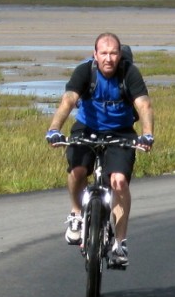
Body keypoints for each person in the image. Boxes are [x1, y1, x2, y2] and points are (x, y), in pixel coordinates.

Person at [46, 32, 154, 268]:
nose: (109, 58)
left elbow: (143, 104)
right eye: (103, 53)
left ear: (119, 55)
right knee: (77, 171)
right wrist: (54, 128)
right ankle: (76, 215)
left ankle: (120, 243)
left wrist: (147, 134)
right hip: (86, 128)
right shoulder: (85, 71)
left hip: (121, 131)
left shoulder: (129, 73)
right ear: (95, 55)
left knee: (118, 182)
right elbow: (68, 100)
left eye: (113, 53)